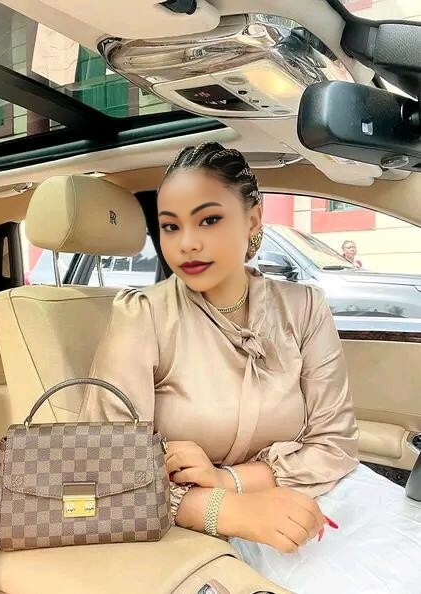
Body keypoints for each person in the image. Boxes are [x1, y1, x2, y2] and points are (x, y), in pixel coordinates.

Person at [81, 142, 420, 594]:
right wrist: (223, 508)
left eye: (209, 220)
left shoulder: (304, 308)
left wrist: (231, 480)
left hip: (330, 494)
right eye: (170, 226)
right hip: (205, 525)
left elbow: (335, 443)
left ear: (254, 220)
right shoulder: (143, 316)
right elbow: (104, 474)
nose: (187, 243)